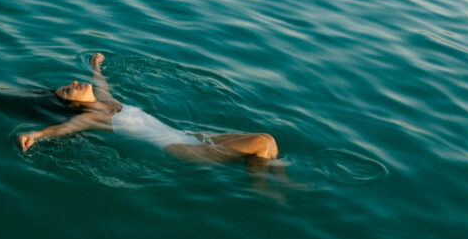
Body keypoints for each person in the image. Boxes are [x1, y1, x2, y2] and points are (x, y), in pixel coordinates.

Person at [17, 54, 280, 171]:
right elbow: (64, 129)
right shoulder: (93, 117)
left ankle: (272, 181)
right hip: (179, 148)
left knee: (268, 142)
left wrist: (95, 65)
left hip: (191, 135)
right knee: (260, 142)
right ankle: (265, 187)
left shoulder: (107, 102)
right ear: (74, 104)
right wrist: (36, 135)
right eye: (68, 90)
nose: (73, 84)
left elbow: (100, 83)